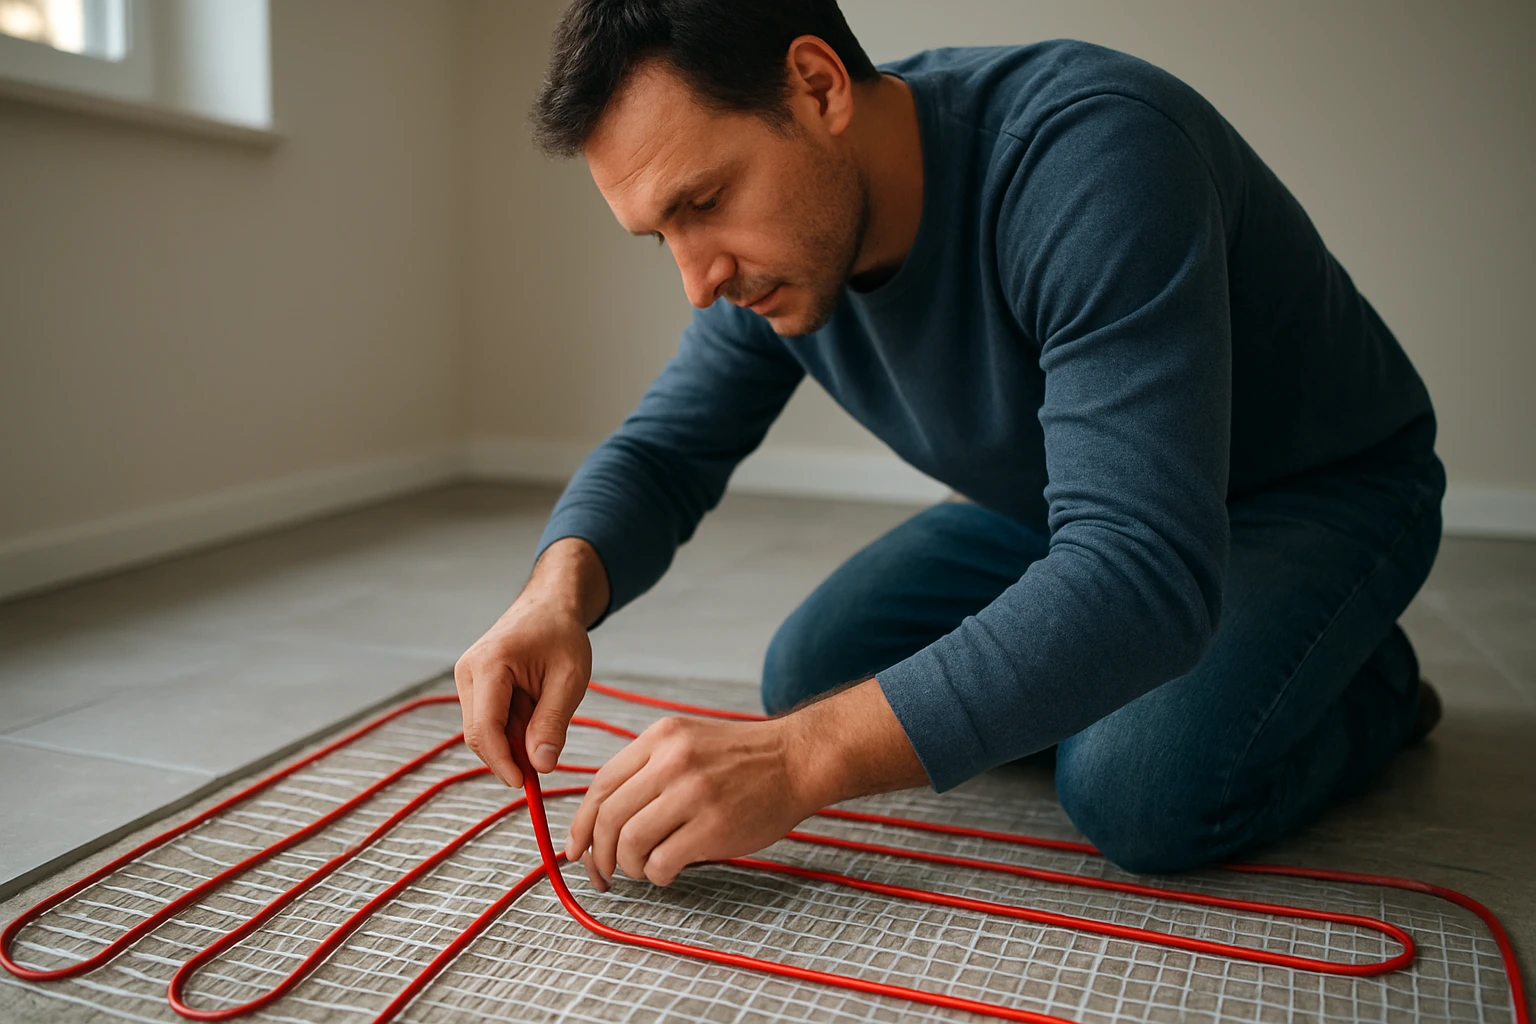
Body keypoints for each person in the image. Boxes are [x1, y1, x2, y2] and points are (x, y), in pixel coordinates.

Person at [453, 0, 1445, 892]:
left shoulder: (1096, 157)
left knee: (1138, 789)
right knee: (815, 673)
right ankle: (1156, 657)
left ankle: (1374, 687)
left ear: (818, 85)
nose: (697, 281)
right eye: (659, 235)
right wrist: (553, 598)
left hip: (1321, 490)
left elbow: (1141, 572)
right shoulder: (779, 252)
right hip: (1082, 503)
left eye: (702, 202)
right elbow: (666, 452)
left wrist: (798, 762)